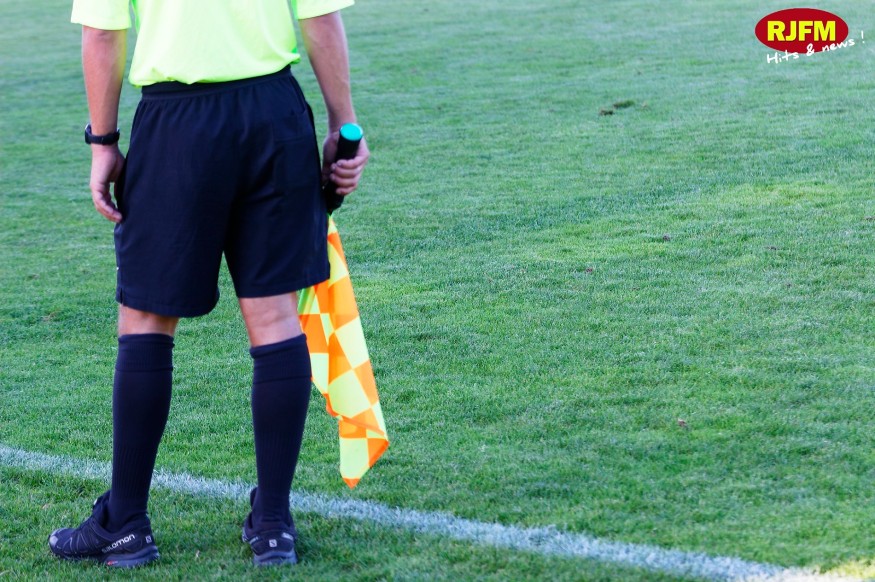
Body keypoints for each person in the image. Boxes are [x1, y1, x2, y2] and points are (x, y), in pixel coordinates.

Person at [48, 0, 369, 568]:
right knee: (274, 317)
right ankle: (273, 525)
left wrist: (103, 143)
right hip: (273, 114)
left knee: (147, 319)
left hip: (176, 124)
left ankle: (125, 523)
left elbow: (102, 34)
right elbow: (320, 18)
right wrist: (345, 128)